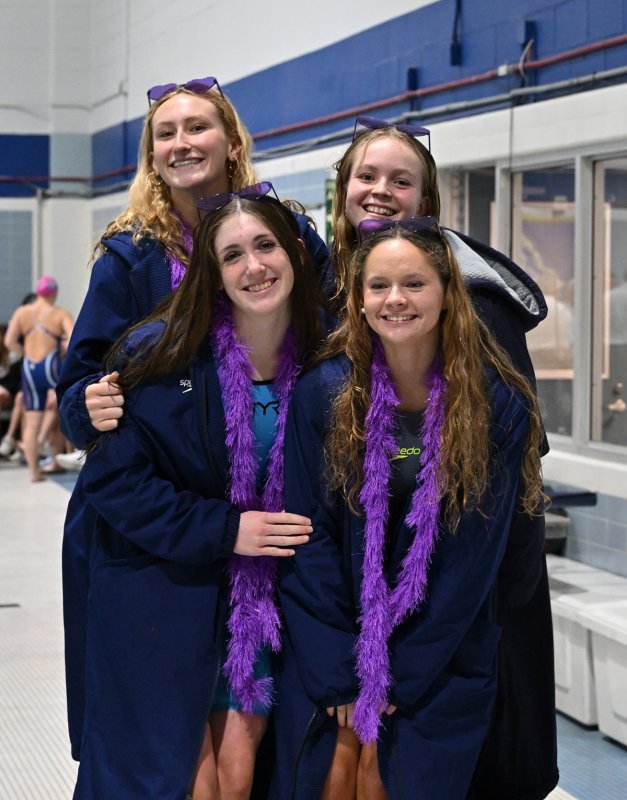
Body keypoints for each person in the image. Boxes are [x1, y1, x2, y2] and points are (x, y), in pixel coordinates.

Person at [56, 76, 329, 762]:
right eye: (166, 134)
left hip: (264, 512)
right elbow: (81, 383)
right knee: (158, 748)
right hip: (155, 526)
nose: (182, 143)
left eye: (197, 127)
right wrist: (86, 405)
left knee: (250, 748)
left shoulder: (286, 234)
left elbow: (328, 339)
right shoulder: (131, 255)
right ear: (152, 158)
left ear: (232, 142)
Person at [317, 117, 557, 800]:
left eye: (401, 181)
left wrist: (483, 619)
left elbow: (512, 478)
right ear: (342, 192)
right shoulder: (338, 292)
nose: (380, 192)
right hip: (361, 603)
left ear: (426, 203)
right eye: (366, 177)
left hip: (466, 608)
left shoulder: (475, 305)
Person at [4, 276, 73, 481]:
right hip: (50, 365)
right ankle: (52, 455)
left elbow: (9, 341)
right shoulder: (60, 313)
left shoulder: (22, 312)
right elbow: (73, 337)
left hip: (29, 367)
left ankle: (34, 471)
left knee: (32, 421)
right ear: (54, 294)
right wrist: (60, 350)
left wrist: (25, 352)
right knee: (56, 409)